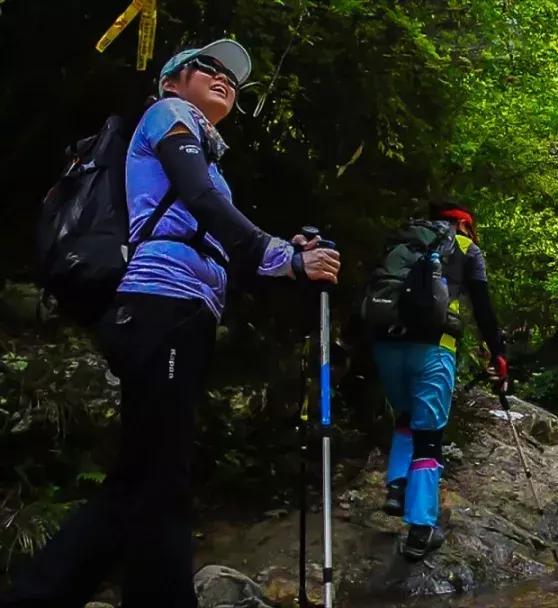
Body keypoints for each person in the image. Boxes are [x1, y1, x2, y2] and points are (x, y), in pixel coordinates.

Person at [1, 40, 340, 608]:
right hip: (159, 306)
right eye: (208, 67)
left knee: (141, 477)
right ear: (171, 80)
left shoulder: (207, 153)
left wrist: (290, 254)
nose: (225, 78)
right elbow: (203, 201)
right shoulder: (168, 116)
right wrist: (282, 256)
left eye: (233, 77)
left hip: (177, 313)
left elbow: (215, 233)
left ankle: (39, 596)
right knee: (161, 480)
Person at [371, 199, 508, 561]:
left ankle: (397, 488)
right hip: (433, 347)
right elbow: (483, 307)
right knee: (429, 436)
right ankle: (420, 528)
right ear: (463, 224)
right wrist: (498, 352)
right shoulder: (466, 248)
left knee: (405, 417)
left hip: (386, 343)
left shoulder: (403, 242)